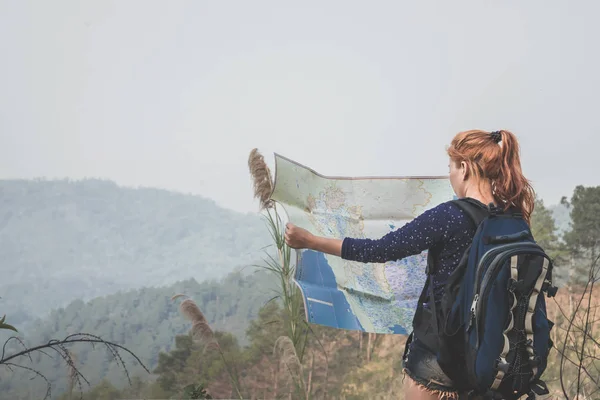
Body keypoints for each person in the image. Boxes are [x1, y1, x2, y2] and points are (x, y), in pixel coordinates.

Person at [283, 129, 535, 400]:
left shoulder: (450, 215)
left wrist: (309, 240)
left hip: (437, 361)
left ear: (463, 168)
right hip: (492, 363)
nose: (450, 175)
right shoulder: (515, 222)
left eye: (450, 167)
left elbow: (378, 250)